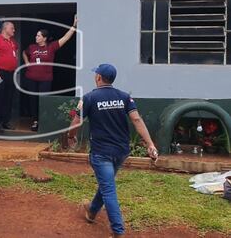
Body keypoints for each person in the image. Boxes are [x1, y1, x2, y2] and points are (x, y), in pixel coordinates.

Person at [75, 64, 158, 237]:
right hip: (121, 151)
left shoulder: (89, 97)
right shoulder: (124, 97)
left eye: (95, 74)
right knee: (107, 183)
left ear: (98, 77)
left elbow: (77, 121)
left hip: (101, 152)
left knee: (108, 189)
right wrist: (150, 143)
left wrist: (70, 136)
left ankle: (118, 231)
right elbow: (136, 119)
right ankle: (91, 211)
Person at [22, 16, 78, 131]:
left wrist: (74, 26)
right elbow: (24, 52)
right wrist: (27, 62)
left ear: (44, 38)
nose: (36, 37)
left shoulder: (51, 47)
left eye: (38, 36)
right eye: (36, 35)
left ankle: (43, 121)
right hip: (31, 78)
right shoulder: (32, 47)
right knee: (33, 100)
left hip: (45, 79)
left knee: (43, 99)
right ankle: (35, 121)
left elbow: (65, 38)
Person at [0, 21, 18, 134]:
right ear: (5, 29)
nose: (14, 30)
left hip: (11, 73)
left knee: (9, 97)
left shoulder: (12, 42)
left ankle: (6, 121)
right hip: (0, 73)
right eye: (12, 28)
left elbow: (15, 52)